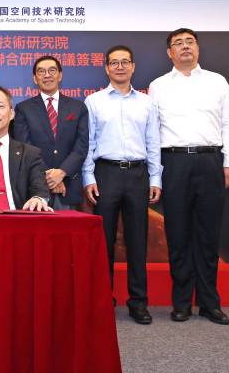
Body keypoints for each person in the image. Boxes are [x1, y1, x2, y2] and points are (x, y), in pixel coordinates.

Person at [149, 28, 229, 325]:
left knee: (207, 235)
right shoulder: (158, 86)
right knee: (177, 235)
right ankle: (181, 303)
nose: (185, 47)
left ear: (198, 49)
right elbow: (152, 133)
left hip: (210, 162)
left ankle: (209, 303)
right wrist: (155, 176)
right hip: (173, 164)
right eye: (178, 43)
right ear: (169, 53)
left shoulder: (217, 82)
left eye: (190, 42)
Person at [82, 45, 162, 324]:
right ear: (106, 68)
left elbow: (153, 143)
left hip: (138, 175)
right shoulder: (94, 102)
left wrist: (155, 178)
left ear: (133, 66)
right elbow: (88, 144)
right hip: (106, 173)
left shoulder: (146, 103)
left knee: (137, 241)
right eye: (114, 63)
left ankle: (138, 303)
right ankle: (105, 299)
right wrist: (88, 178)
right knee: (103, 243)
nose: (119, 67)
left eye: (124, 62)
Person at [14, 55, 89, 210]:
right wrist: (50, 176)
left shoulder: (78, 107)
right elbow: (24, 146)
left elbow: (81, 146)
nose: (47, 75)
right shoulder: (23, 109)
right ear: (35, 78)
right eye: (41, 72)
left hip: (68, 185)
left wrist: (62, 172)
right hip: (36, 187)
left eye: (52, 70)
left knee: (69, 233)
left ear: (60, 75)